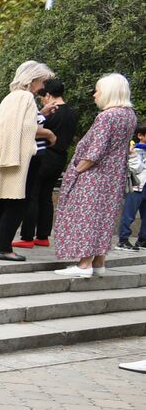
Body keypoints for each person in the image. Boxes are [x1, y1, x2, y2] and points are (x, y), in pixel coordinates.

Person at [51, 73, 138, 278]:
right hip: (113, 177)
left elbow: (95, 152)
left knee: (87, 217)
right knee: (104, 217)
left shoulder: (106, 116)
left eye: (97, 91)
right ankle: (99, 261)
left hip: (95, 177)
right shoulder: (129, 115)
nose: (94, 95)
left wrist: (77, 169)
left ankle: (84, 265)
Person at [0, 60, 55, 261]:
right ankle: (3, 247)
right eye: (42, 80)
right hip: (19, 157)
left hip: (5, 155)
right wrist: (46, 133)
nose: (43, 85)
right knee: (17, 202)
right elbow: (25, 128)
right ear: (33, 78)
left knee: (5, 202)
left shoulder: (11, 97)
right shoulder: (26, 97)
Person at [15, 79, 76, 248]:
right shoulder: (71, 113)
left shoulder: (51, 113)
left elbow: (35, 129)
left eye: (43, 96)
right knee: (46, 197)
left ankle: (27, 236)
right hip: (60, 158)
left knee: (32, 196)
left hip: (44, 156)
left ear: (48, 95)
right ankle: (43, 235)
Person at [119, 121, 146, 250]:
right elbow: (136, 168)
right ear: (140, 135)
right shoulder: (134, 150)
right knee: (129, 215)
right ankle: (123, 240)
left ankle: (143, 239)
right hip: (136, 186)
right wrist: (133, 155)